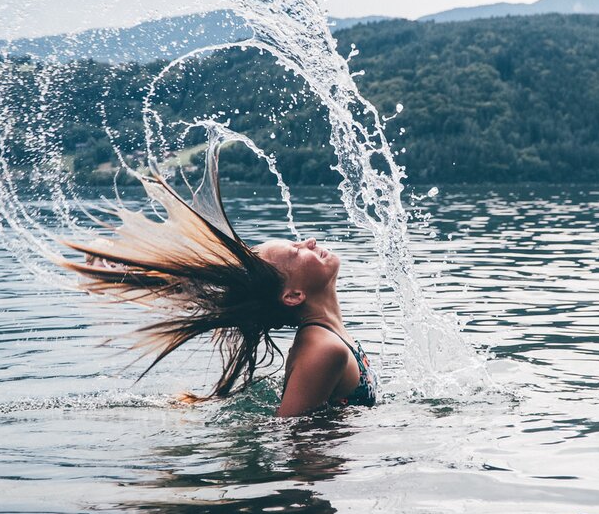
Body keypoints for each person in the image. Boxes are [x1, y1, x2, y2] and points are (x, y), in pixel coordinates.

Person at [61, 152, 377, 418]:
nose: (309, 241)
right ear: (293, 295)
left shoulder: (326, 339)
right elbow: (291, 439)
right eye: (298, 250)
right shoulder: (325, 348)